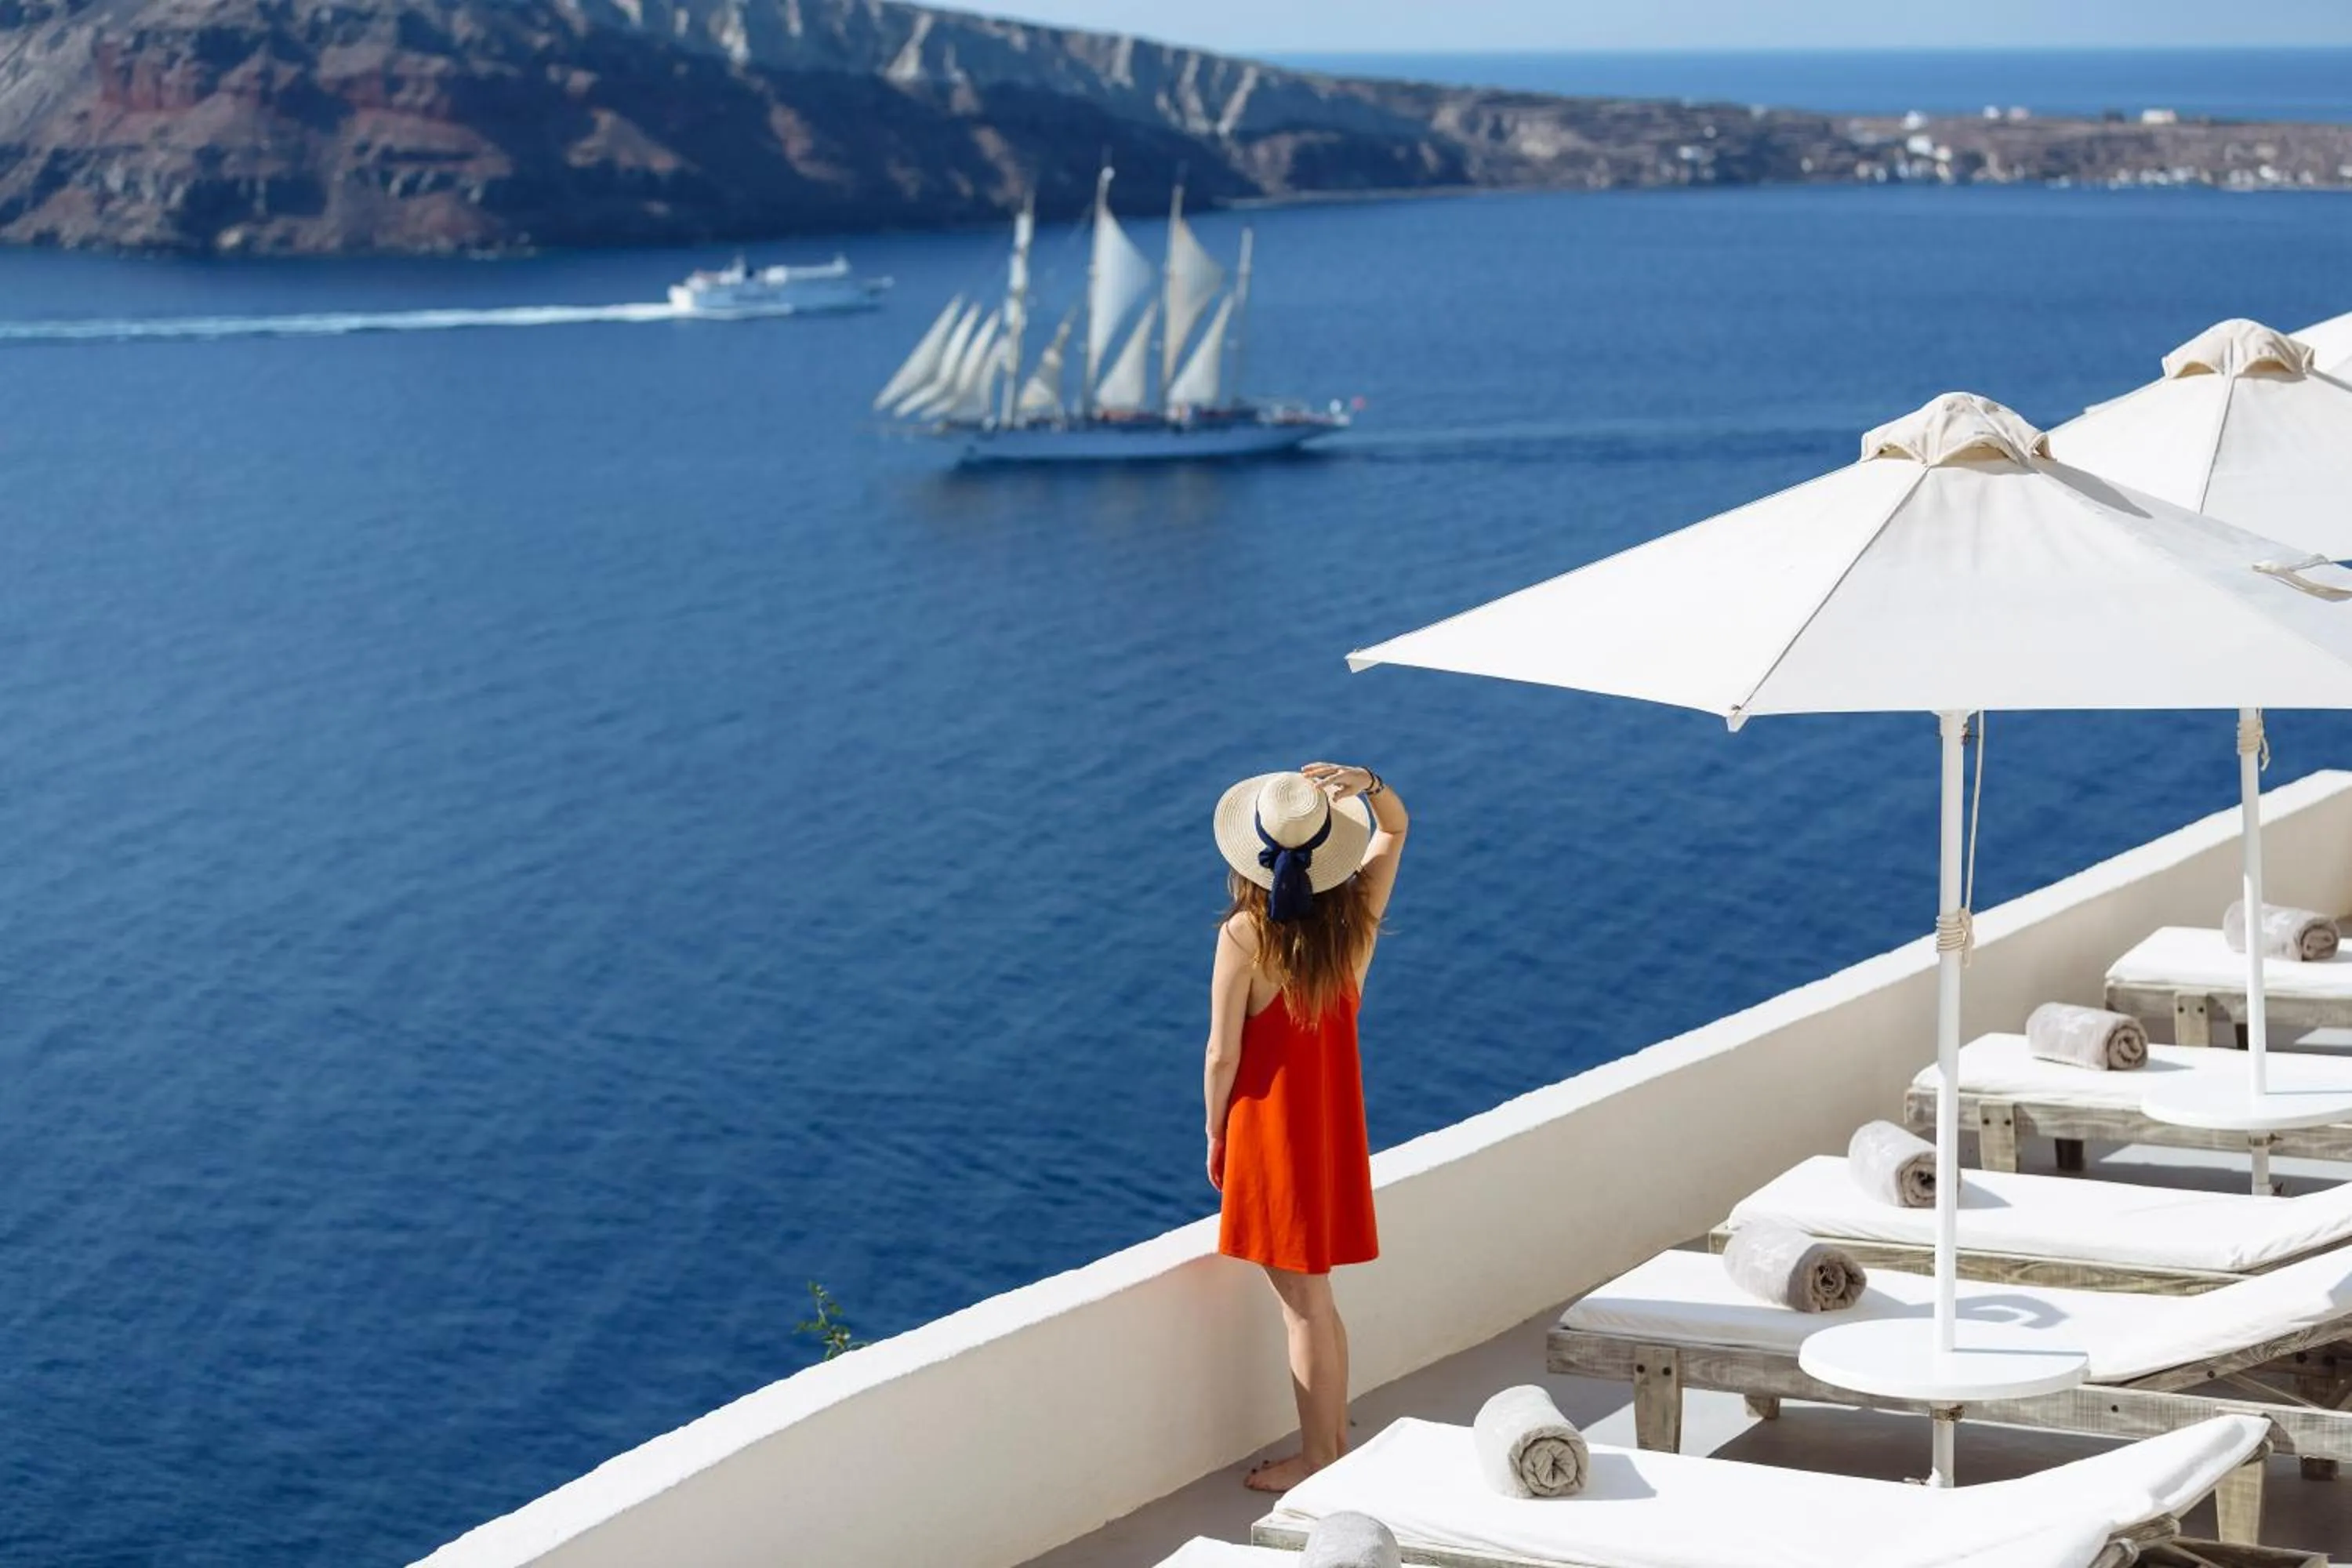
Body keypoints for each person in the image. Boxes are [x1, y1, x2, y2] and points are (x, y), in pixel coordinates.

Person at [1204, 761, 1409, 1492]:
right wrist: (1370, 782)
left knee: (1304, 1311)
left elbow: (1223, 1052)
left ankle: (1318, 1460)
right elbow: (1396, 828)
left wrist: (1213, 1133)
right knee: (1318, 1304)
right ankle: (1333, 1443)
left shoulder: (1245, 935)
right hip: (1329, 1136)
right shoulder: (1355, 925)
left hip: (1271, 1141)